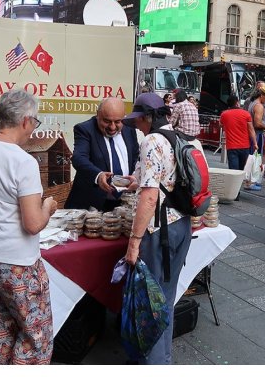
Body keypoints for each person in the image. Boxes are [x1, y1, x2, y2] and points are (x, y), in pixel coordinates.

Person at [0, 89, 57, 364]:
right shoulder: (23, 161)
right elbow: (33, 224)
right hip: (16, 263)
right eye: (35, 122)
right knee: (36, 339)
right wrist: (48, 206)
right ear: (26, 120)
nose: (33, 129)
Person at [122, 92, 192, 365]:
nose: (137, 125)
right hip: (181, 224)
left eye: (138, 120)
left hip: (159, 231)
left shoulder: (151, 141)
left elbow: (150, 195)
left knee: (151, 302)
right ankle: (163, 359)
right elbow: (156, 180)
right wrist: (126, 181)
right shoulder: (177, 137)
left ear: (147, 118)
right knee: (167, 295)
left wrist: (134, 242)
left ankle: (153, 363)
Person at [64, 97, 139, 211]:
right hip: (91, 205)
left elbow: (135, 157)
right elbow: (79, 158)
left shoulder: (129, 128)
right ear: (97, 115)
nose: (112, 127)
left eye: (118, 122)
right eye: (107, 121)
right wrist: (98, 175)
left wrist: (136, 176)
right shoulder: (85, 129)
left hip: (124, 203)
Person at [245, 84, 265, 190]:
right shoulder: (259, 106)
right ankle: (251, 182)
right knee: (256, 159)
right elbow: (258, 124)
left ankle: (251, 181)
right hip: (257, 134)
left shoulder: (252, 103)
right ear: (262, 95)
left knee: (254, 158)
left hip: (253, 134)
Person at [220, 94, 257, 171]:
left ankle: (234, 183)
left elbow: (220, 125)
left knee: (233, 171)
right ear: (237, 103)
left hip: (231, 146)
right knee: (242, 170)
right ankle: (240, 183)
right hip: (244, 146)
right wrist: (255, 143)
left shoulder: (224, 114)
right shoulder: (246, 114)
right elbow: (251, 130)